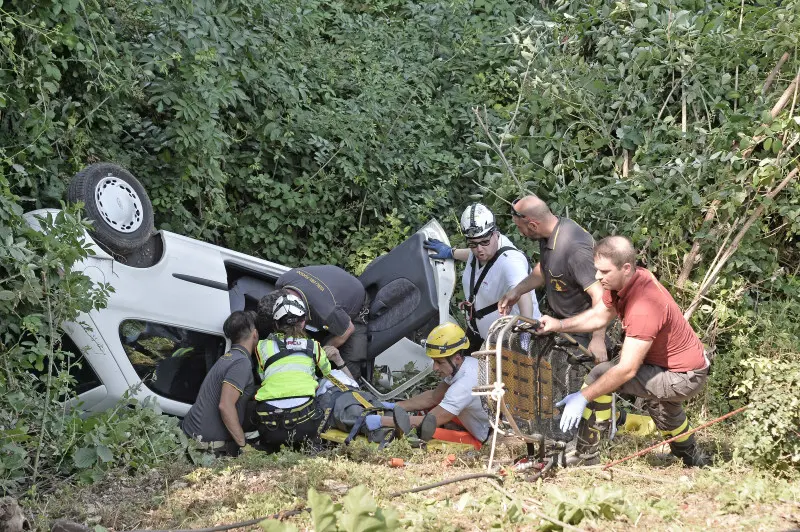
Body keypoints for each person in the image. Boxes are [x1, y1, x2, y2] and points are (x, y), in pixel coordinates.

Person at [538, 236, 710, 467]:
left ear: (626, 268)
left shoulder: (644, 306)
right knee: (662, 408)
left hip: (684, 376)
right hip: (672, 367)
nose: (598, 277)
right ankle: (693, 460)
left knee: (601, 376)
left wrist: (583, 397)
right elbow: (600, 315)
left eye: (604, 271)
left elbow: (626, 370)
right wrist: (559, 325)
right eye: (596, 270)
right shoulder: (625, 283)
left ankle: (584, 454)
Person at [498, 195, 608, 362]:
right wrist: (517, 291)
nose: (519, 232)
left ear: (533, 225)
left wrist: (598, 339)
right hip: (563, 324)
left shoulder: (575, 248)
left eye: (520, 227)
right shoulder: (549, 232)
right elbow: (544, 268)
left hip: (586, 327)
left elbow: (601, 296)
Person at [423, 203, 538, 351]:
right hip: (482, 334)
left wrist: (526, 332)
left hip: (511, 342)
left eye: (484, 242)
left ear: (495, 234)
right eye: (472, 244)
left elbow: (524, 294)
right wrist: (451, 252)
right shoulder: (483, 248)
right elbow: (473, 254)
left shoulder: (510, 262)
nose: (479, 250)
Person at [365, 323, 491, 449]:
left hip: (483, 437)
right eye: (434, 360)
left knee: (424, 435)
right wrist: (395, 406)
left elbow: (428, 422)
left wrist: (381, 421)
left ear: (457, 358)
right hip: (479, 419)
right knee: (435, 406)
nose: (435, 367)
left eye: (439, 362)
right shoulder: (465, 364)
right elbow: (433, 397)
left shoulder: (463, 385)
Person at [253, 292, 350, 452]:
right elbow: (326, 373)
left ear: (276, 324)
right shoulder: (314, 347)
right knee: (323, 388)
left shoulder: (262, 347)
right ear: (303, 322)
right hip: (304, 423)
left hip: (269, 423)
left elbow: (262, 375)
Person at [181, 311, 258, 456]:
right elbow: (225, 406)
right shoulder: (241, 363)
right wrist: (243, 445)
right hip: (205, 448)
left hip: (191, 436)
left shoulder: (227, 358)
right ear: (255, 334)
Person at [275, 265, 369, 380]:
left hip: (353, 308)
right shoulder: (283, 282)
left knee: (351, 364)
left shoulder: (327, 311)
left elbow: (348, 329)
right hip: (332, 282)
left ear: (304, 318)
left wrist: (319, 354)